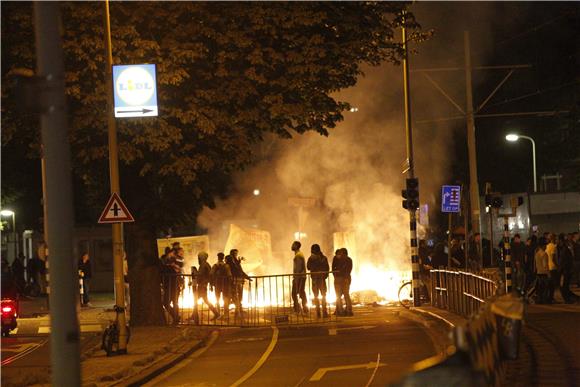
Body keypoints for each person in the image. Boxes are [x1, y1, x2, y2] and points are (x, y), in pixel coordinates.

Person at [225, 249, 251, 317]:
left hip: (239, 281)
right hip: (233, 281)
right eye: (234, 254)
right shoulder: (230, 261)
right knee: (234, 296)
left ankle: (238, 310)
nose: (235, 255)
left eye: (236, 253)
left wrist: (247, 277)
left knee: (239, 296)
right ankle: (236, 311)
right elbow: (234, 269)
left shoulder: (236, 262)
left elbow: (240, 271)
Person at [161, 248, 184, 324]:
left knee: (168, 302)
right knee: (171, 303)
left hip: (172, 287)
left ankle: (176, 317)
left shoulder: (171, 268)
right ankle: (176, 317)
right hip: (172, 287)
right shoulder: (169, 268)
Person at [307, 244, 329, 318]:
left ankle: (318, 312)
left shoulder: (311, 258)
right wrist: (325, 276)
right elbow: (327, 268)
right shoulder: (324, 258)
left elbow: (308, 267)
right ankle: (324, 312)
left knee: (316, 296)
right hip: (322, 279)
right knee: (323, 295)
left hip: (315, 280)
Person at [196, 251, 220, 320]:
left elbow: (200, 274)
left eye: (199, 256)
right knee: (205, 300)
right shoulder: (206, 264)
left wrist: (194, 271)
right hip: (203, 285)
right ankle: (216, 313)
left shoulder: (204, 264)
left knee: (197, 300)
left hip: (202, 285)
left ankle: (194, 316)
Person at [333, 248, 353, 316]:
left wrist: (336, 275)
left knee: (339, 295)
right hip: (346, 279)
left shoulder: (341, 260)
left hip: (341, 279)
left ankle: (341, 311)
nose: (340, 254)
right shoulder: (349, 260)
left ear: (343, 253)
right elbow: (349, 270)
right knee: (346, 295)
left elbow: (337, 269)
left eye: (341, 253)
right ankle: (348, 310)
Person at [557, 233, 575, 303]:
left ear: (560, 240)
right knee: (565, 286)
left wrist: (559, 270)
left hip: (565, 271)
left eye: (558, 239)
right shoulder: (565, 248)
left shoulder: (564, 249)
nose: (557, 241)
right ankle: (568, 299)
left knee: (563, 286)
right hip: (566, 271)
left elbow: (563, 262)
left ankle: (567, 300)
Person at [291, 241, 308, 314]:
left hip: (299, 277)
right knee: (300, 293)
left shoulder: (298, 255)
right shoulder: (298, 255)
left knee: (296, 293)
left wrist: (296, 279)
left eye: (293, 245)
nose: (291, 246)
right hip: (300, 277)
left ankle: (299, 309)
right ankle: (303, 309)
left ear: (296, 246)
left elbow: (298, 268)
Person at [546, 233, 558, 303]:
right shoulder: (553, 247)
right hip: (553, 267)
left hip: (548, 267)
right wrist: (558, 265)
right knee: (552, 284)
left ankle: (549, 298)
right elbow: (553, 258)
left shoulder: (547, 246)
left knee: (549, 284)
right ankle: (551, 298)